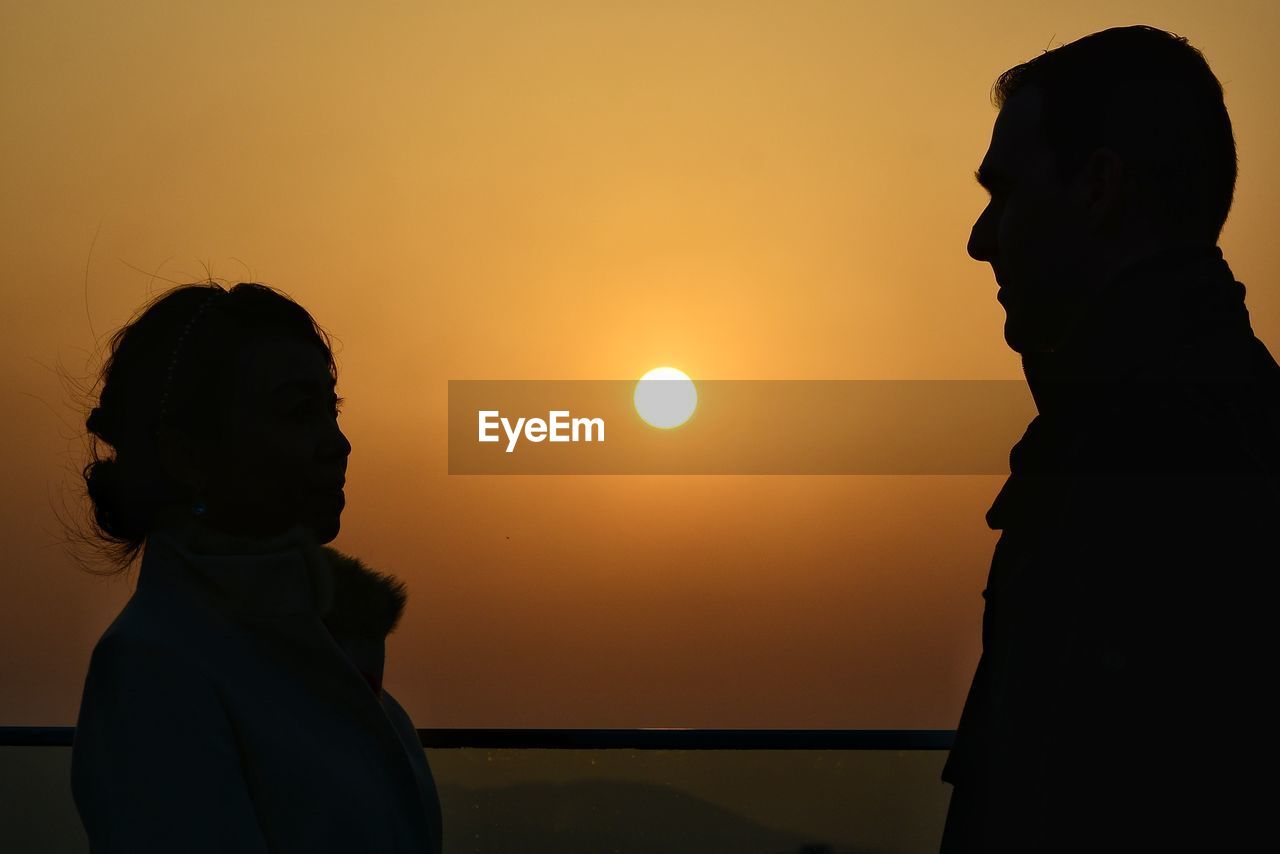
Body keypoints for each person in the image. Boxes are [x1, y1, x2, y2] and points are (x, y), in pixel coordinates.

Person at [943, 25, 1280, 852]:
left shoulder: (1161, 452)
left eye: (1005, 193)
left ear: (1098, 186)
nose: (979, 241)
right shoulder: (1172, 419)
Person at [70, 283, 443, 852]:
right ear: (188, 456)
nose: (337, 444)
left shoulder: (331, 650)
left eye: (331, 408)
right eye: (297, 413)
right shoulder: (154, 668)